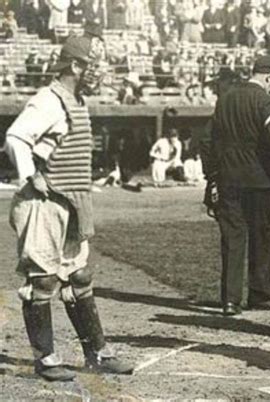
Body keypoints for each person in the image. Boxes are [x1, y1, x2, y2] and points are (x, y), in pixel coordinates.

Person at [4, 34, 134, 382]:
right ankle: (45, 358)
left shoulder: (75, 99)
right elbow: (16, 138)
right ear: (75, 65)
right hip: (44, 204)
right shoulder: (49, 100)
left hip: (72, 200)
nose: (99, 73)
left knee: (79, 276)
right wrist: (30, 176)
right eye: (93, 66)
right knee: (43, 280)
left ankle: (98, 353)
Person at [202, 55, 270, 316]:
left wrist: (212, 176)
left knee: (232, 237)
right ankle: (260, 294)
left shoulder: (225, 98)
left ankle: (229, 300)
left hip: (228, 179)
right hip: (259, 180)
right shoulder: (265, 102)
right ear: (269, 76)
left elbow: (206, 141)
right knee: (260, 236)